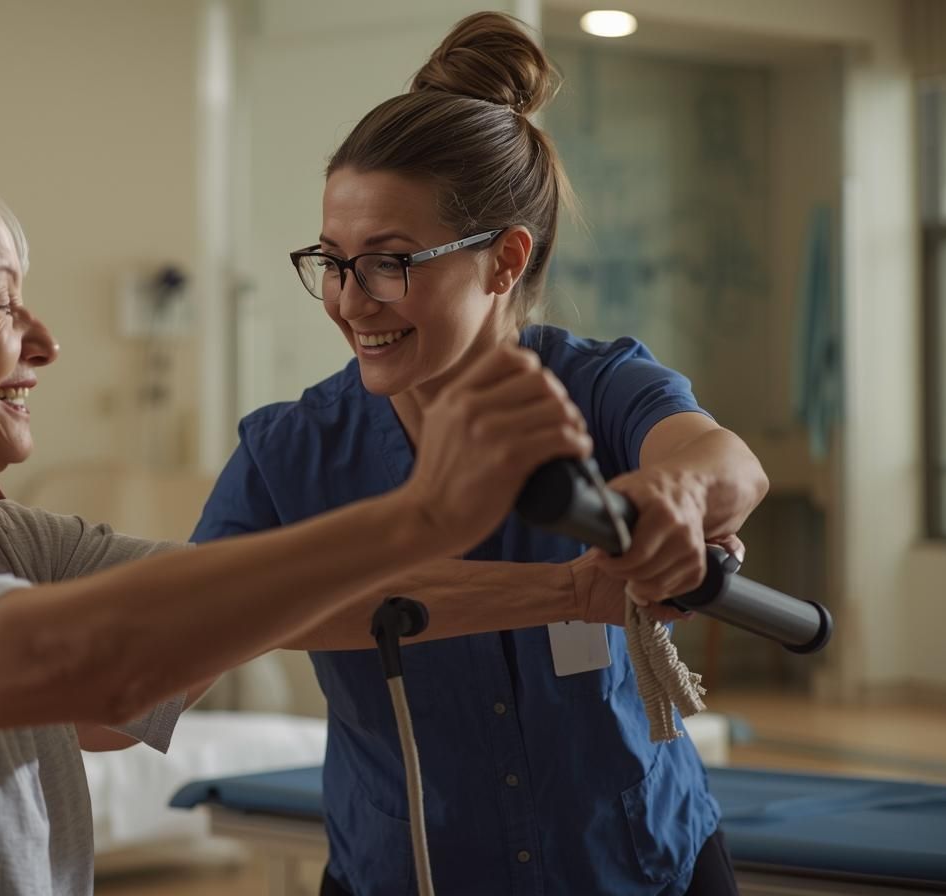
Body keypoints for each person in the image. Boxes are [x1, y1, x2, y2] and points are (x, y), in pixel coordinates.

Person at [0, 107, 608, 895]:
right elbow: (107, 667)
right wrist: (428, 509)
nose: (45, 342)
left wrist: (574, 592)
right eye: (0, 302)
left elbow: (257, 603)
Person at [191, 12, 769, 896]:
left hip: (641, 866)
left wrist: (675, 501)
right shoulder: (288, 452)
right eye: (332, 261)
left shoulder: (600, 387)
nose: (350, 301)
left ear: (504, 260)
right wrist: (565, 590)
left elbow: (727, 462)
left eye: (389, 262)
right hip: (405, 872)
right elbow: (206, 614)